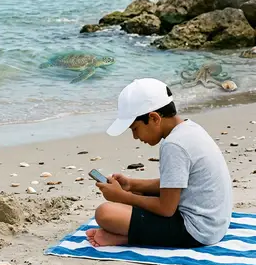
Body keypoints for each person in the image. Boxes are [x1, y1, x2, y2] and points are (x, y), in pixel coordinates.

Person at [86, 78, 232, 249]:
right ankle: (128, 234)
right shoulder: (189, 129)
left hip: (198, 232)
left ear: (154, 118)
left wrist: (122, 197)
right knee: (136, 197)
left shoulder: (174, 145)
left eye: (135, 129)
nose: (135, 137)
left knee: (105, 213)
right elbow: (175, 184)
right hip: (215, 224)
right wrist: (131, 185)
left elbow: (166, 209)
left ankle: (126, 238)